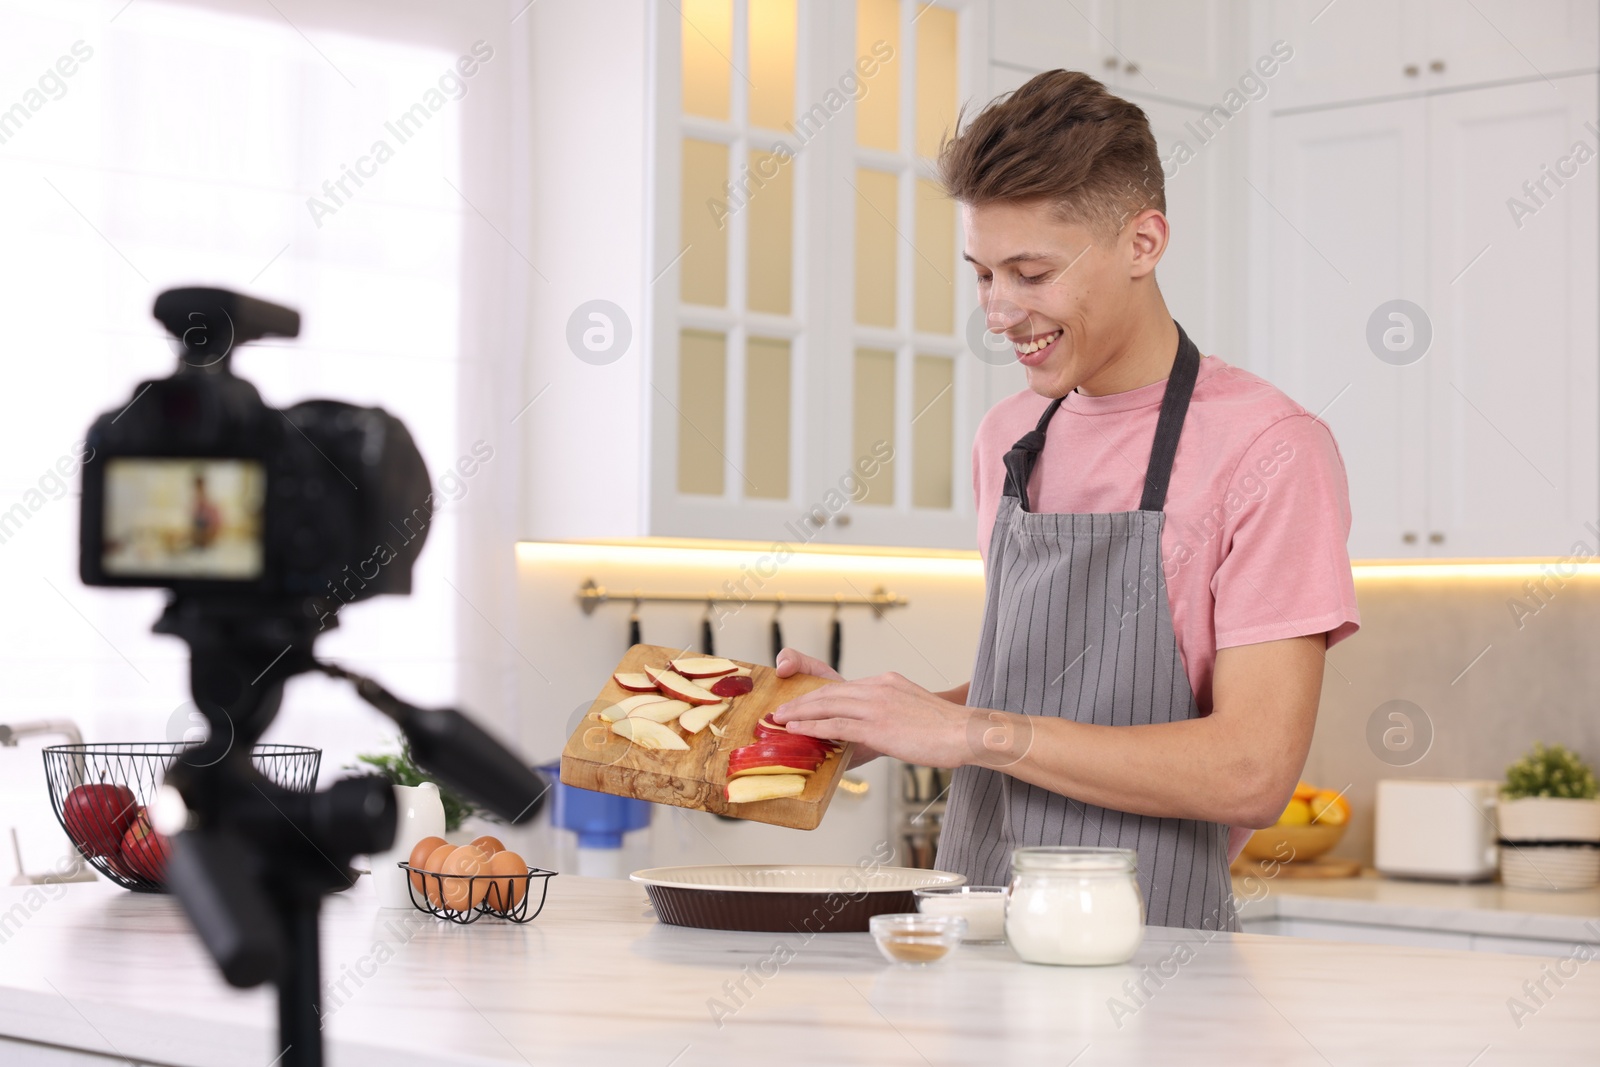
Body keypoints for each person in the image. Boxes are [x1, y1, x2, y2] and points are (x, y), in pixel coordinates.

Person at [772, 70, 1360, 932]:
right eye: (981, 274)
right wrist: (874, 723)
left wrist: (966, 733)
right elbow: (1058, 685)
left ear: (1144, 241)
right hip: (972, 928)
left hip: (1150, 953)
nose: (999, 312)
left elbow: (1252, 770)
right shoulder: (1009, 437)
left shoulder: (1269, 450)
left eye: (1032, 272)